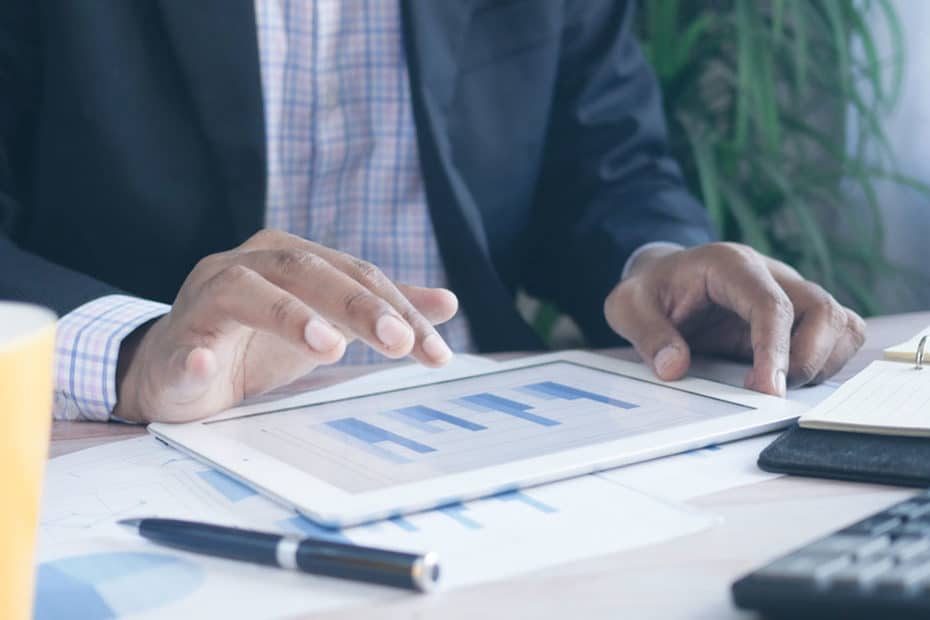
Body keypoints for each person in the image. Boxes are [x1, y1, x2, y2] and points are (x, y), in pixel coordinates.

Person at [0, 1, 864, 424]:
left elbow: (606, 164)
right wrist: (131, 353)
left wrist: (661, 261)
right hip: (138, 441)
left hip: (484, 423)